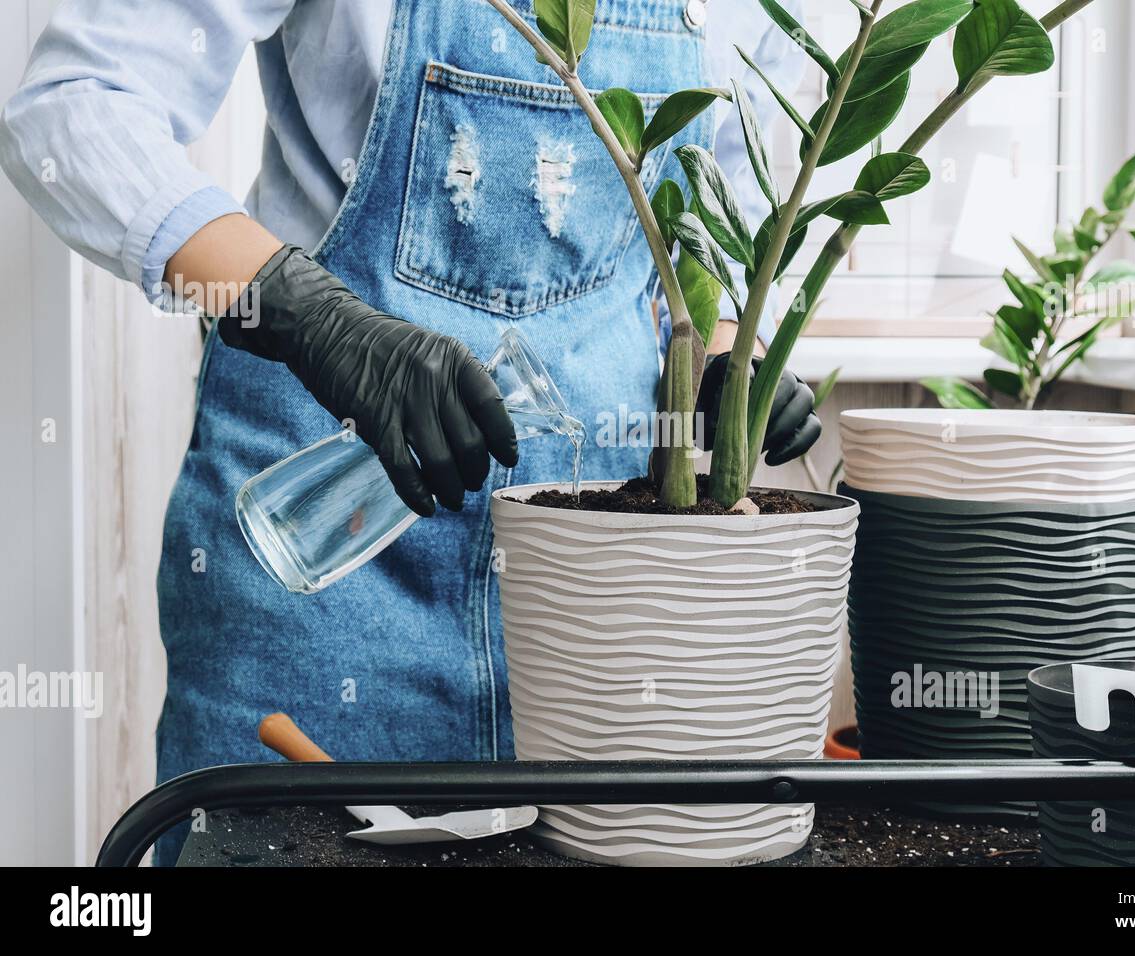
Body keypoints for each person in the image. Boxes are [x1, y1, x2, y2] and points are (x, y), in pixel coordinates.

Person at [0, 0, 817, 865]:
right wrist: (301, 312)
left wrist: (735, 353)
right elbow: (74, 104)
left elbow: (713, 217)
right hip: (322, 566)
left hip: (593, 629)